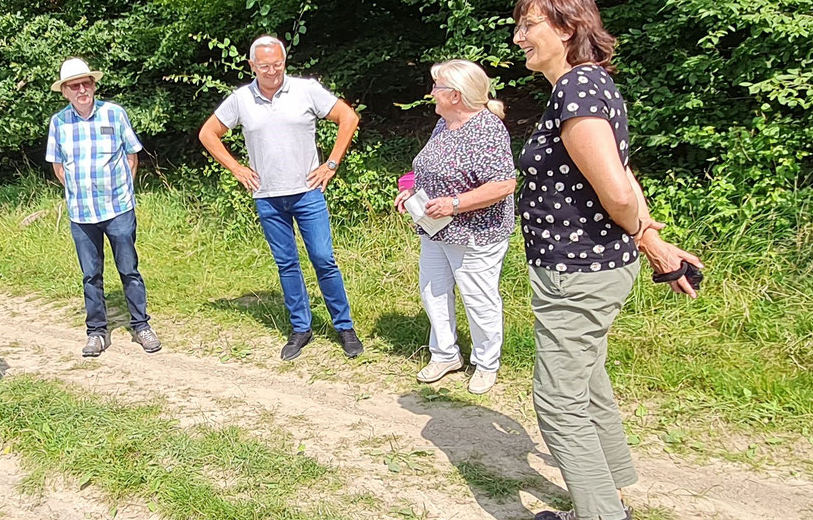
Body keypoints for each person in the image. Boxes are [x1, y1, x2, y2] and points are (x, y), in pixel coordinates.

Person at [508, 0, 702, 520]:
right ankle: (612, 511)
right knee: (589, 387)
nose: (520, 37)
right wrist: (657, 244)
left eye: (529, 24)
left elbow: (617, 190)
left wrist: (652, 242)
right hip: (585, 267)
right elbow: (622, 177)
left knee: (559, 400)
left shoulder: (577, 90)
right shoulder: (586, 89)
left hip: (576, 273)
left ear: (566, 26)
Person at [198, 35, 365, 360]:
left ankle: (344, 327)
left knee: (323, 259)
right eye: (264, 66)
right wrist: (236, 168)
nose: (272, 71)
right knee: (287, 264)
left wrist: (331, 163)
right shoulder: (241, 99)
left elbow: (348, 117)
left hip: (307, 192)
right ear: (252, 66)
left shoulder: (306, 90)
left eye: (277, 64)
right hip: (268, 196)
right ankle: (301, 328)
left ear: (284, 62)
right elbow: (208, 133)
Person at [396, 60, 516, 395]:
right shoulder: (444, 124)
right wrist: (410, 191)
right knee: (433, 292)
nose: (431, 93)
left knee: (478, 299)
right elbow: (428, 169)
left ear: (456, 95)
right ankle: (445, 354)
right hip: (435, 228)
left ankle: (486, 362)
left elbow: (505, 185)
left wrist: (455, 203)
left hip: (477, 234)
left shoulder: (487, 130)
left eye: (437, 87)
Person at [45, 57, 161, 358]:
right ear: (65, 92)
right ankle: (96, 332)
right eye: (75, 85)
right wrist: (77, 190)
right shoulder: (58, 122)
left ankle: (141, 326)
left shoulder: (114, 114)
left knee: (129, 269)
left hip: (119, 207)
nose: (82, 89)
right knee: (90, 275)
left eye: (86, 83)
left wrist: (124, 190)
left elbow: (132, 156)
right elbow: (58, 165)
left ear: (94, 85)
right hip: (82, 213)